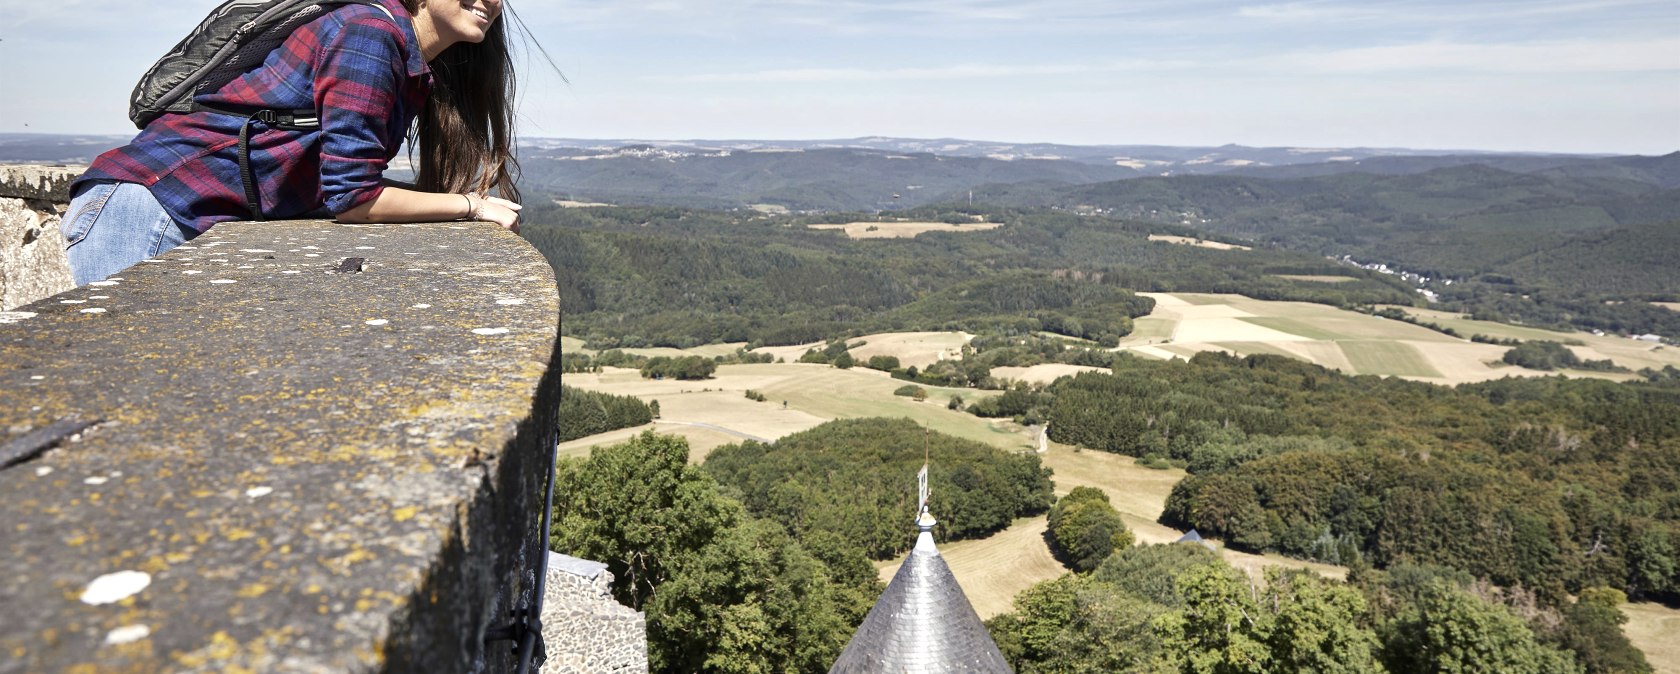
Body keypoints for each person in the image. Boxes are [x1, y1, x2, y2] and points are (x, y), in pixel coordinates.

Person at [62, 0, 528, 286]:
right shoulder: (370, 34)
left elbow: (339, 183)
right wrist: (471, 206)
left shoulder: (399, 52)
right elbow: (352, 197)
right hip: (149, 203)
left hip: (163, 205)